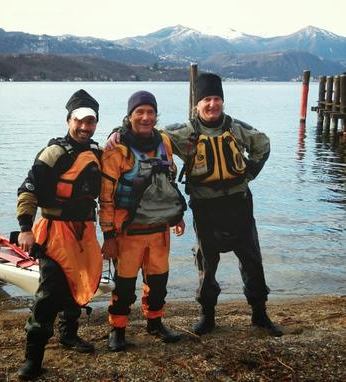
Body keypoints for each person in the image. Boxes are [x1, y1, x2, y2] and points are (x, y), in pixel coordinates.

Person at [107, 74, 282, 337]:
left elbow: (263, 144)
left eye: (216, 99)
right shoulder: (184, 133)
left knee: (252, 260)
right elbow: (147, 132)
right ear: (196, 105)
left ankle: (259, 313)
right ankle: (207, 316)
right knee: (206, 263)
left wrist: (249, 174)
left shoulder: (236, 129)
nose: (212, 104)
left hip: (239, 204)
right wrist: (119, 131)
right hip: (205, 206)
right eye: (206, 100)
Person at [16, 89, 103, 380]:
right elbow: (28, 190)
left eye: (90, 122)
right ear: (68, 121)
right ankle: (33, 358)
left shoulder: (97, 154)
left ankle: (69, 335)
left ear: (95, 124)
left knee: (79, 283)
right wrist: (26, 229)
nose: (84, 127)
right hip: (54, 233)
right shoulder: (52, 154)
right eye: (79, 121)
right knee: (48, 296)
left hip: (85, 232)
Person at [99, 91, 187, 352]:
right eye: (140, 112)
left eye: (150, 112)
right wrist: (108, 236)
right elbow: (105, 197)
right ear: (129, 116)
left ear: (156, 116)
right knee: (124, 286)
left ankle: (155, 323)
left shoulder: (164, 144)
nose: (146, 117)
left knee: (159, 281)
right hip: (128, 230)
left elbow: (167, 184)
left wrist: (177, 215)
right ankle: (118, 329)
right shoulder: (117, 148)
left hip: (159, 228)